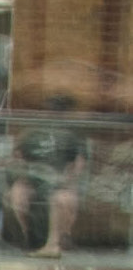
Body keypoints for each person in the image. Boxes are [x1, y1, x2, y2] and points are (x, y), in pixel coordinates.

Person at [5, 98, 89, 260]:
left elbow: (79, 163)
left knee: (62, 198)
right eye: (51, 108)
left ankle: (53, 245)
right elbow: (17, 158)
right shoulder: (31, 132)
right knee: (18, 193)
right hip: (34, 178)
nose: (54, 113)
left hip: (59, 180)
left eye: (59, 109)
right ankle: (28, 237)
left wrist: (68, 180)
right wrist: (22, 175)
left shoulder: (73, 134)